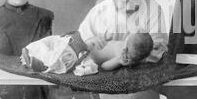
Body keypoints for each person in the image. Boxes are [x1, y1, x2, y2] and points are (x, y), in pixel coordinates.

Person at [21, 30, 154, 74]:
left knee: (58, 54)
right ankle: (31, 53)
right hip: (80, 43)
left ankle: (36, 60)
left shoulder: (121, 54)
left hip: (82, 54)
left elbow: (104, 67)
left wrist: (118, 61)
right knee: (55, 43)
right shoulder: (123, 43)